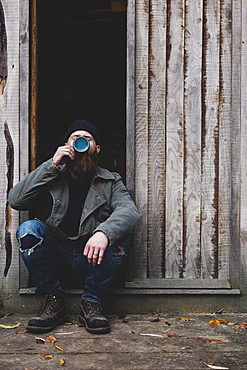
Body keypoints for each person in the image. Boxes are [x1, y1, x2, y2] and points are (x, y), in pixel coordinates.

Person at [8, 120, 140, 335]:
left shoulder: (110, 181)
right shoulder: (52, 176)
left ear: (96, 149)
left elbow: (129, 212)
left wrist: (103, 233)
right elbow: (16, 200)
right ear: (66, 145)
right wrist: (52, 164)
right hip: (57, 258)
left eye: (87, 139)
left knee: (122, 237)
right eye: (75, 138)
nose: (81, 142)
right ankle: (53, 301)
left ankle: (92, 301)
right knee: (28, 229)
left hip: (91, 259)